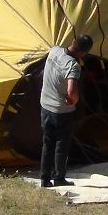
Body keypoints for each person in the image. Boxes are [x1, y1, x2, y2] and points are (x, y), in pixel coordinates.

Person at [39, 34, 93, 188]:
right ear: (84, 52)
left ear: (73, 42)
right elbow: (71, 90)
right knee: (61, 145)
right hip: (61, 111)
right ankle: (59, 177)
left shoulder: (54, 50)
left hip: (45, 105)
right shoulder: (73, 65)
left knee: (47, 143)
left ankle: (44, 179)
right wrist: (74, 100)